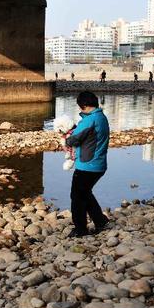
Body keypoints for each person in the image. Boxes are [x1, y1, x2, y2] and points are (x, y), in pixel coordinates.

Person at [63, 91, 110, 237]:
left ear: (84, 106)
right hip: (98, 165)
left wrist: (66, 137)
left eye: (80, 108)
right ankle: (100, 221)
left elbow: (73, 139)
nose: (80, 110)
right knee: (85, 193)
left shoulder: (90, 120)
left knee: (77, 196)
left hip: (87, 166)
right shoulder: (102, 117)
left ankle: (80, 228)